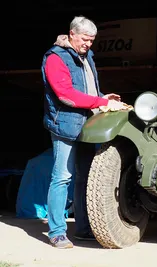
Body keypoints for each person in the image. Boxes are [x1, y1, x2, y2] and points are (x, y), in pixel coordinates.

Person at [41, 16, 128, 248]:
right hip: (65, 125)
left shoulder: (86, 56)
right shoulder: (55, 58)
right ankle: (57, 232)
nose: (88, 44)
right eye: (84, 39)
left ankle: (83, 228)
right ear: (71, 34)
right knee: (62, 177)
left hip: (89, 126)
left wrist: (102, 99)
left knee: (85, 178)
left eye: (92, 40)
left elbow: (87, 89)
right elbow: (65, 94)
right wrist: (99, 101)